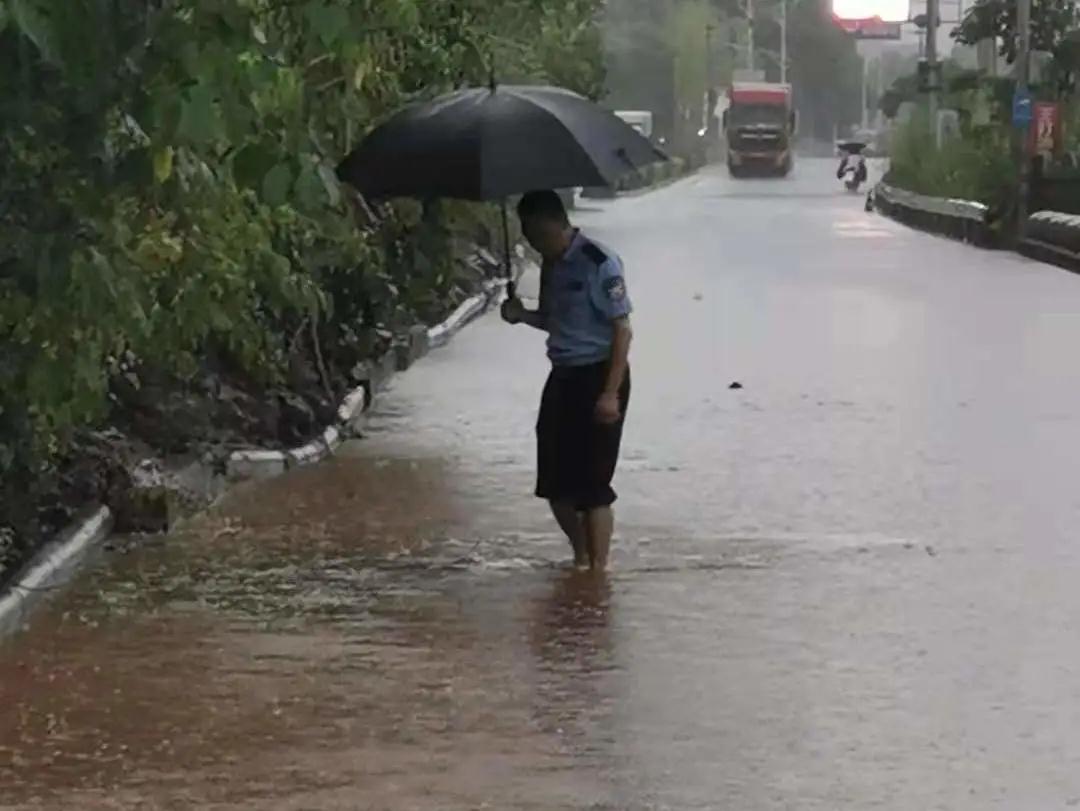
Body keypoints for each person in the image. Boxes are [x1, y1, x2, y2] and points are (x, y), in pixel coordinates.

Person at [501, 190, 633, 572]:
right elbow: (552, 320)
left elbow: (622, 330)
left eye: (541, 236)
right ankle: (580, 557)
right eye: (529, 238)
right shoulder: (551, 266)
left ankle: (599, 571)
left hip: (601, 374)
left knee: (593, 486)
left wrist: (610, 394)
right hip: (563, 376)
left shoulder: (599, 263)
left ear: (560, 224)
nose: (537, 245)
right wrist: (521, 315)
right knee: (554, 484)